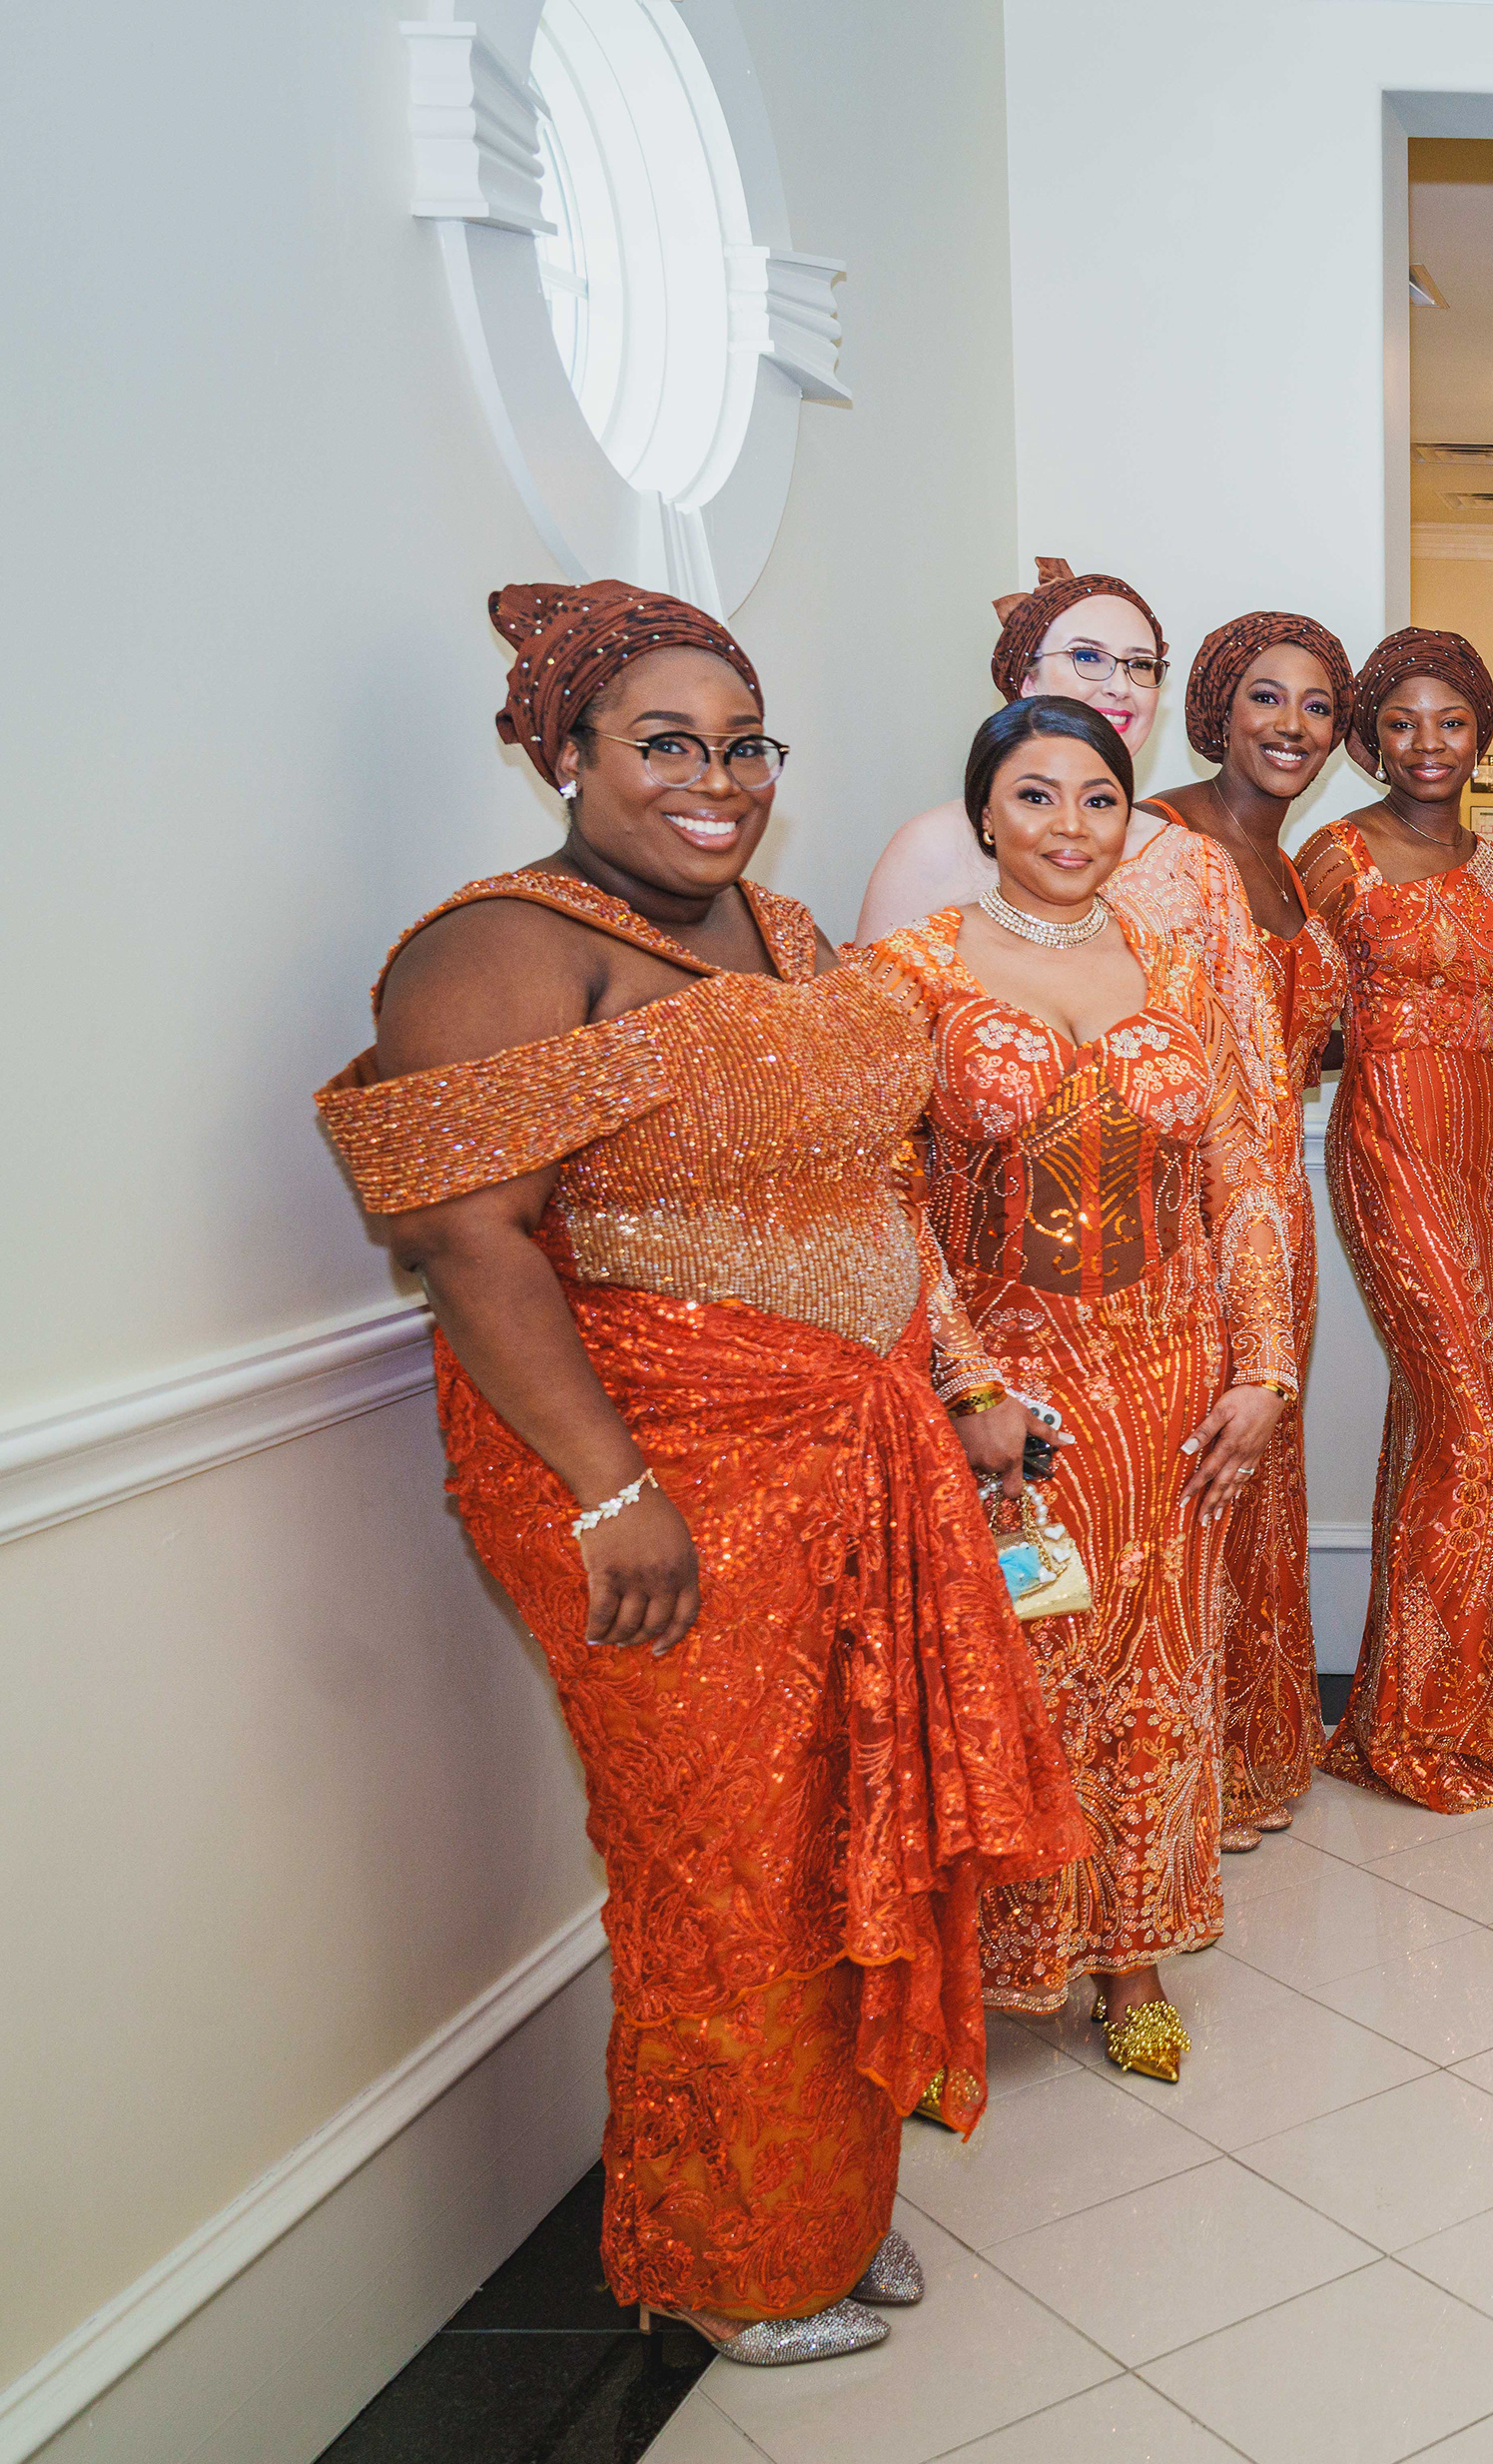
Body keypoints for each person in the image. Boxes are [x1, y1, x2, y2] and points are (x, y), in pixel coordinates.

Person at [317, 582, 1087, 2362]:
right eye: (665, 744)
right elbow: (468, 1237)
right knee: (719, 1859)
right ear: (566, 755)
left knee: (836, 1840)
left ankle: (823, 2207)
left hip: (848, 1447)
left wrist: (951, 1382)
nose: (716, 781)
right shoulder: (497, 948)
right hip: (653, 1473)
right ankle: (726, 2259)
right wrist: (611, 1491)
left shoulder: (788, 934)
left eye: (744, 746)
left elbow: (869, 1186)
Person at [872, 699, 1291, 2081]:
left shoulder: (1171, 961)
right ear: (983, 814)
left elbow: (1239, 1172)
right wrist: (965, 1383)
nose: (1070, 826)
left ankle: (1133, 1960)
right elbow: (886, 1199)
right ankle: (972, 1984)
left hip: (1171, 1384)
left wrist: (1265, 1366)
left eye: (1099, 798)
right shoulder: (913, 972)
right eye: (1036, 795)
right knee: (1008, 1683)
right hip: (1012, 1399)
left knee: (1158, 1679)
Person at [1119, 609, 1356, 1848]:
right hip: (1190, 1207)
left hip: (1282, 1212)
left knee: (1256, 1476)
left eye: (1317, 706)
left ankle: (1250, 1750)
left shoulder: (1291, 864)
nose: (1292, 725)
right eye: (1267, 696)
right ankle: (1177, 1768)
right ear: (1217, 705)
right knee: (1193, 1477)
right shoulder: (1156, 839)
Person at [1300, 628, 1493, 1810]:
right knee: (1473, 1422)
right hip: (1388, 1141)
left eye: (1450, 722)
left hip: (1482, 1152)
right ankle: (1422, 1725)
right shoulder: (1336, 853)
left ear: (1480, 734)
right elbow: (1287, 1010)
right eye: (1402, 723)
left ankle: (1417, 1701)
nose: (1427, 743)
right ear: (1368, 740)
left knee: (1434, 1424)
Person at [856, 560, 1177, 942]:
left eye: (1140, 664)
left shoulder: (1185, 860)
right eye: (1087, 657)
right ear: (1028, 681)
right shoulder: (930, 847)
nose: (1120, 687)